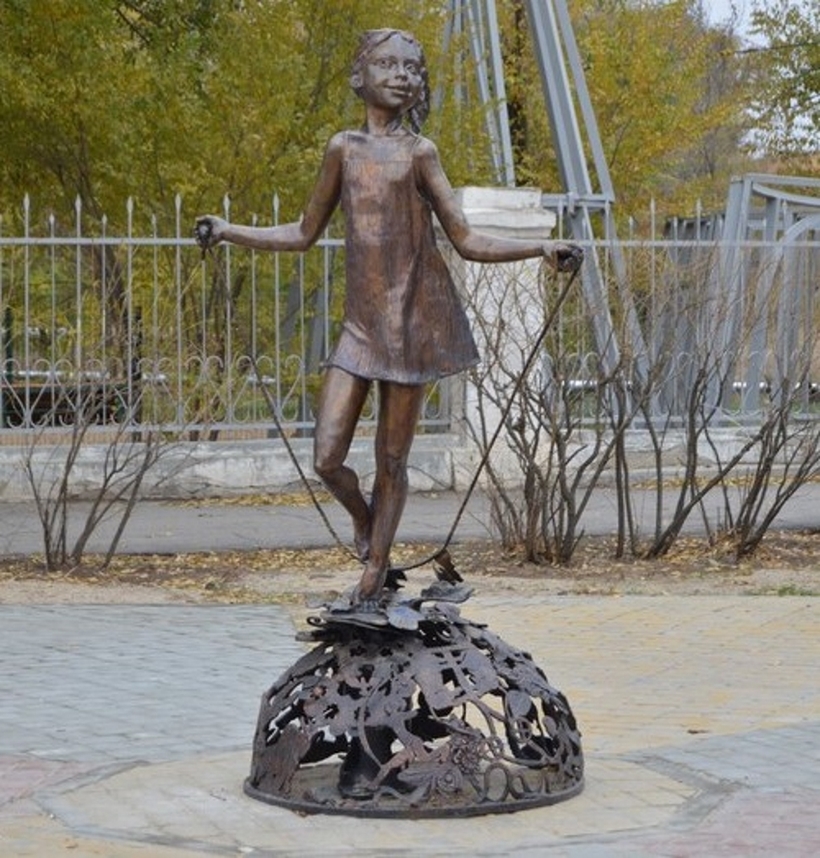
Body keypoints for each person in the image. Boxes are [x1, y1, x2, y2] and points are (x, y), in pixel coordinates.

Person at [196, 28, 583, 608]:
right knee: (327, 457)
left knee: (392, 460)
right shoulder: (343, 149)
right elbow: (302, 232)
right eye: (387, 64)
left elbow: (467, 239)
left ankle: (375, 568)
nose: (401, 75)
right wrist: (229, 231)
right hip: (360, 331)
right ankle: (365, 519)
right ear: (360, 76)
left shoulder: (420, 154)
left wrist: (539, 248)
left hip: (412, 328)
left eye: (411, 68)